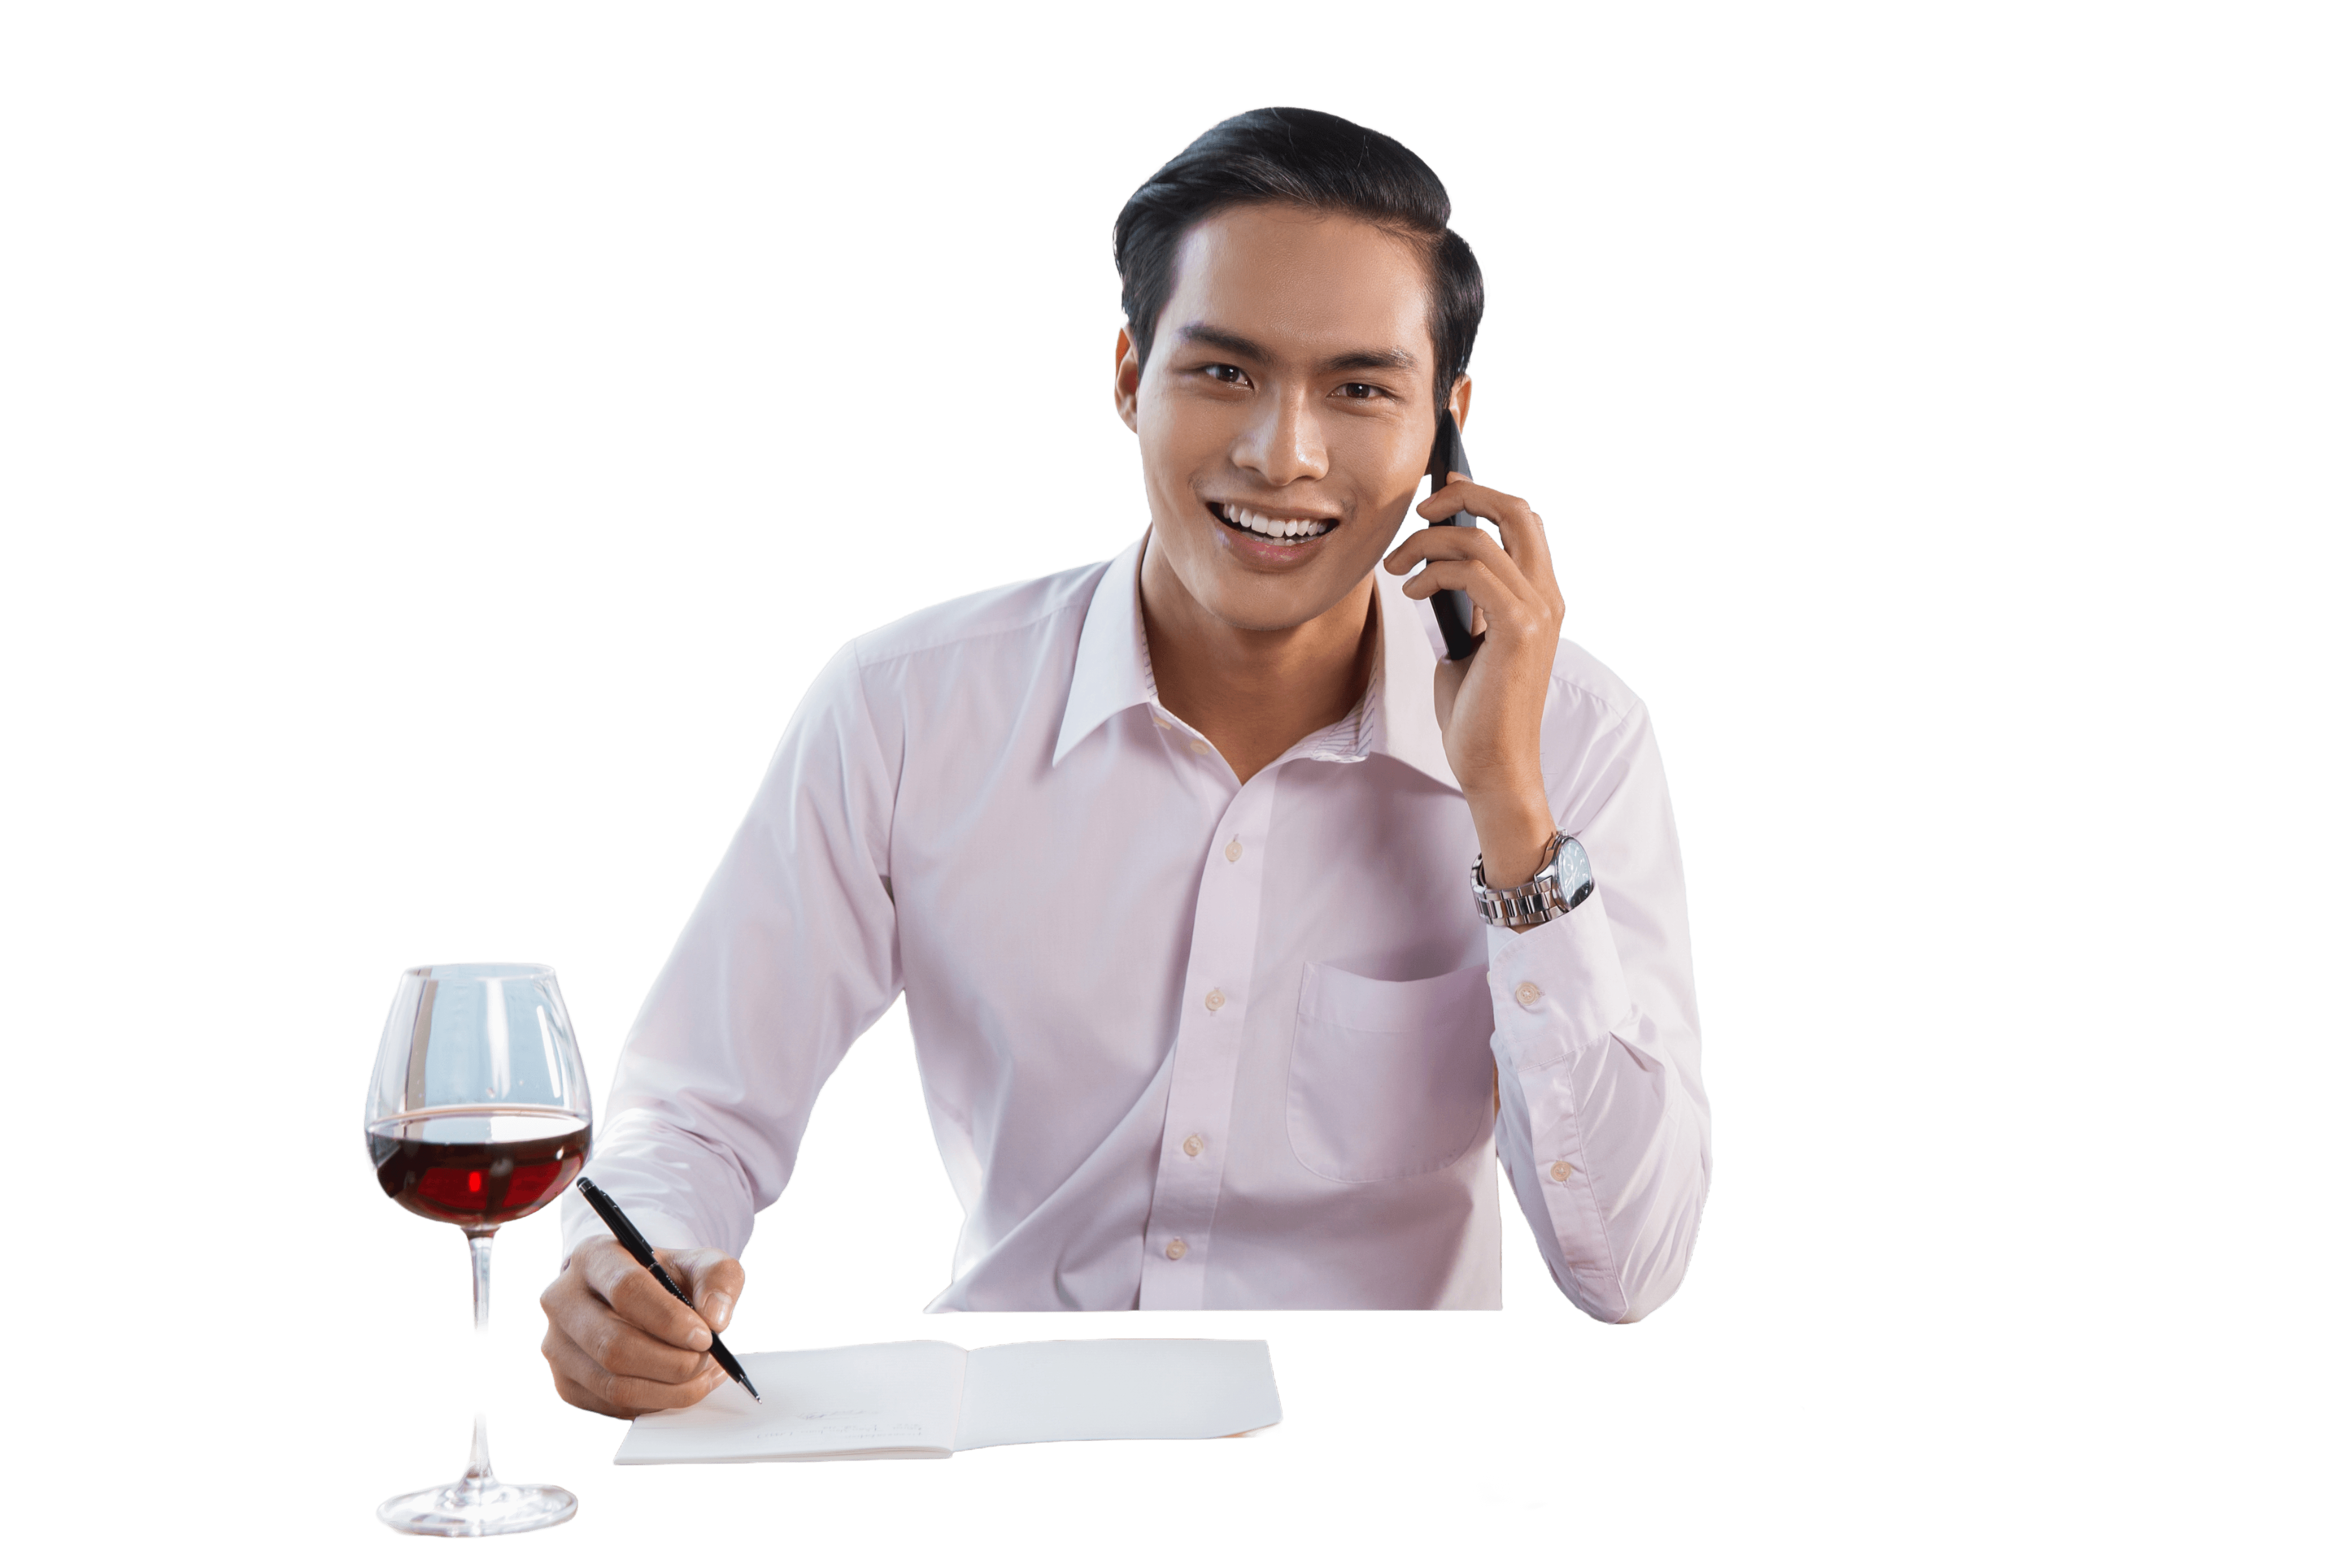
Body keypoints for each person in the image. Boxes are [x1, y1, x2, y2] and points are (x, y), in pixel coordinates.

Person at [539, 106, 1712, 1419]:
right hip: (1014, 1424)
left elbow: (1629, 1267)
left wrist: (1506, 802)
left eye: (1359, 388)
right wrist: (622, 1260)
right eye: (1222, 373)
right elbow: (694, 1107)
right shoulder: (908, 703)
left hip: (1392, 1449)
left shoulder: (1573, 734)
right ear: (1124, 377)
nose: (1285, 453)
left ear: (1446, 424)